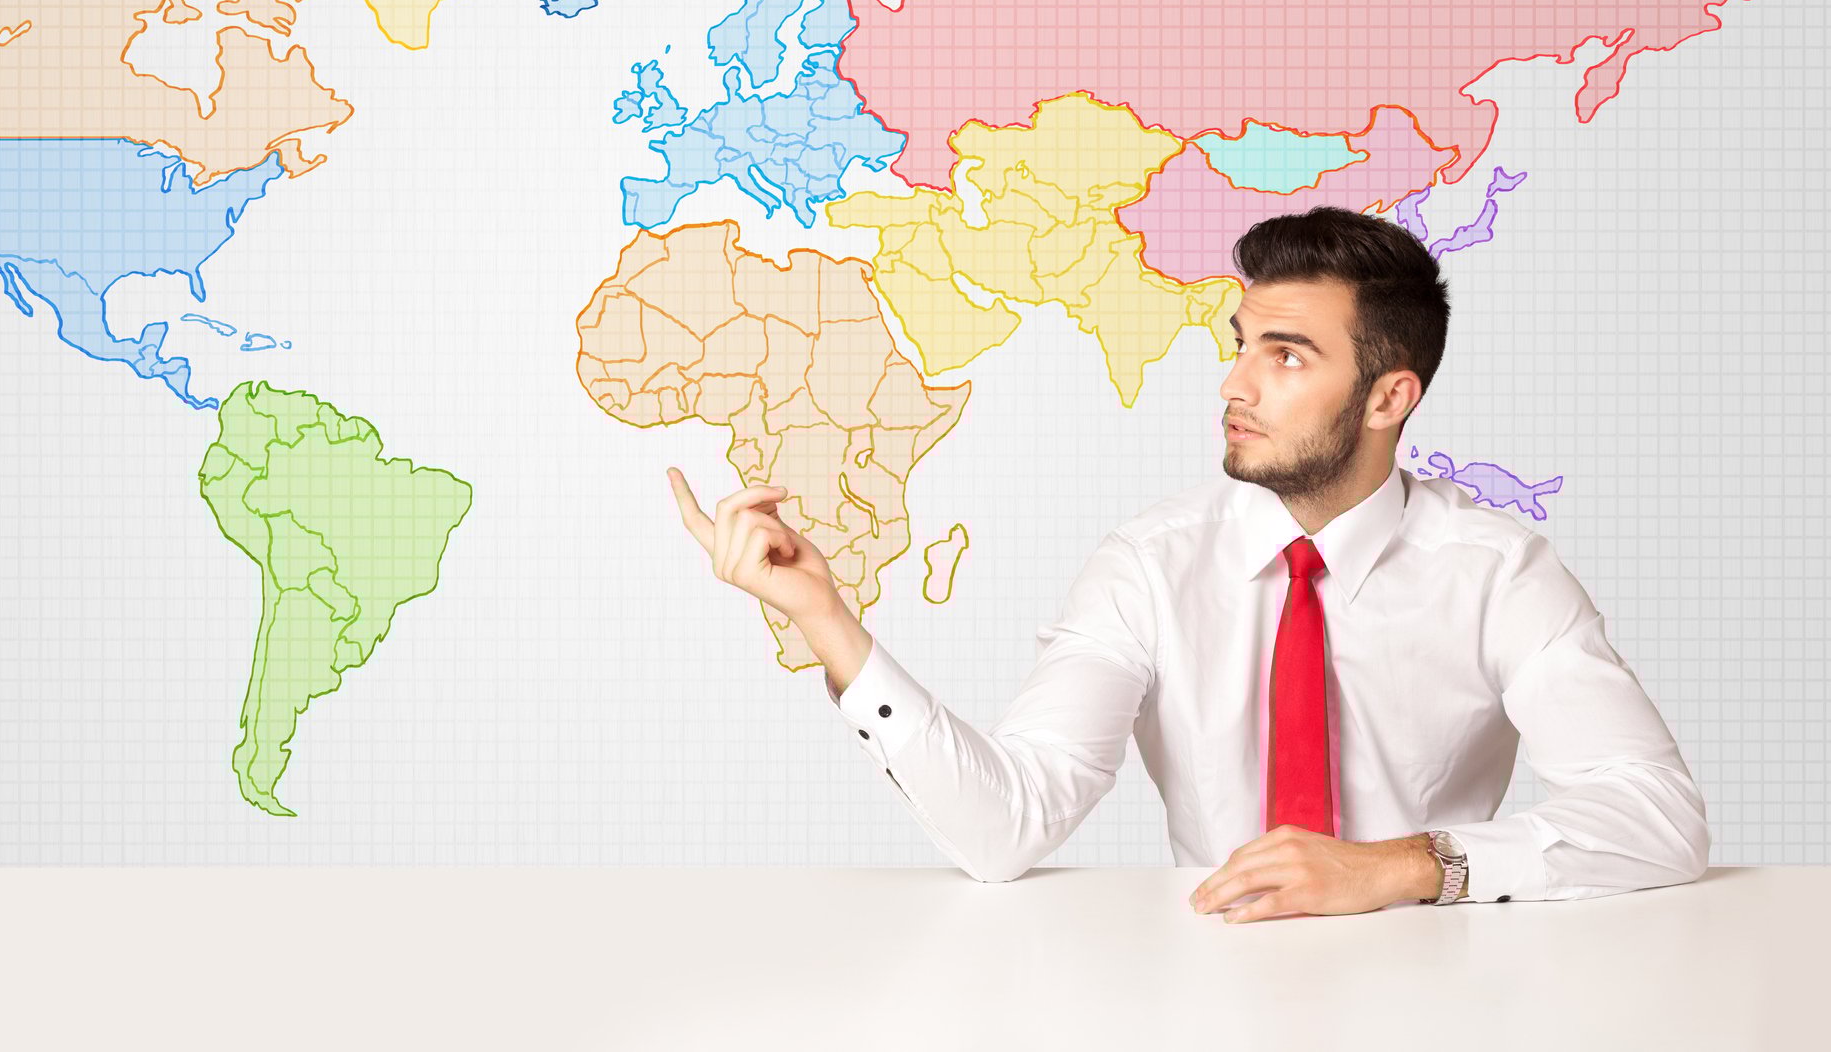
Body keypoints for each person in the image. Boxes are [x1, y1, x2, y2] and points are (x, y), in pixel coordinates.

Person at [667, 205, 1708, 922]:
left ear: (1390, 396)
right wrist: (823, 617)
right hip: (1207, 986)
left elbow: (1657, 816)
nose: (1234, 381)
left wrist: (1400, 867)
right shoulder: (1150, 565)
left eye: (1286, 353)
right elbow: (1005, 826)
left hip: (1436, 985)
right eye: (1240, 340)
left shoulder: (1496, 571)